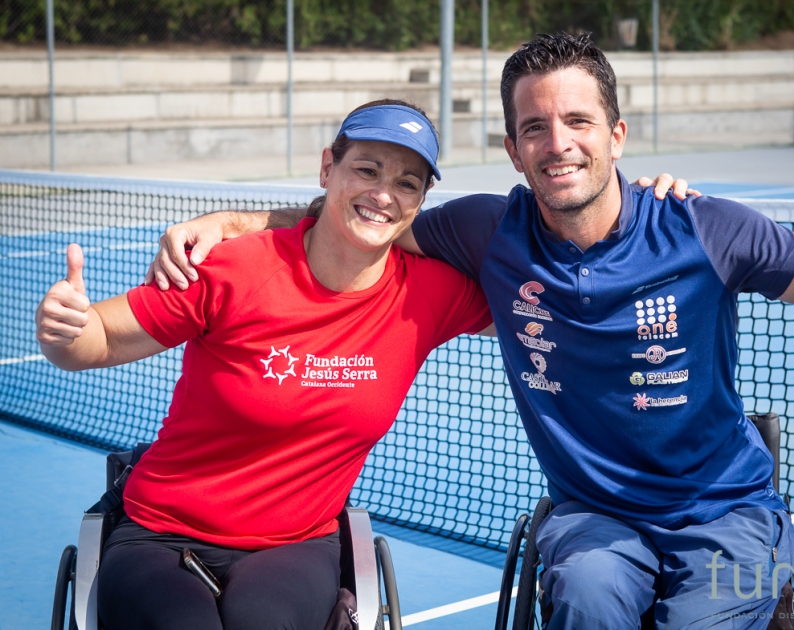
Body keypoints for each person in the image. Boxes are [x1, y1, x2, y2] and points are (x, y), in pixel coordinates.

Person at [145, 34, 794, 629]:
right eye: (534, 127)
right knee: (586, 599)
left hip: (726, 511)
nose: (558, 142)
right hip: (594, 516)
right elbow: (363, 222)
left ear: (616, 133)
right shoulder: (487, 231)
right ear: (513, 151)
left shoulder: (705, 226)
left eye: (578, 121)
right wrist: (241, 221)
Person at [34, 100, 498, 630]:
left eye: (407, 183)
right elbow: (101, 339)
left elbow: (535, 315)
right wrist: (65, 330)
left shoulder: (431, 293)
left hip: (296, 545)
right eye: (367, 169)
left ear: (420, 200)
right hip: (162, 532)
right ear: (329, 168)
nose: (384, 194)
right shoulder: (235, 266)